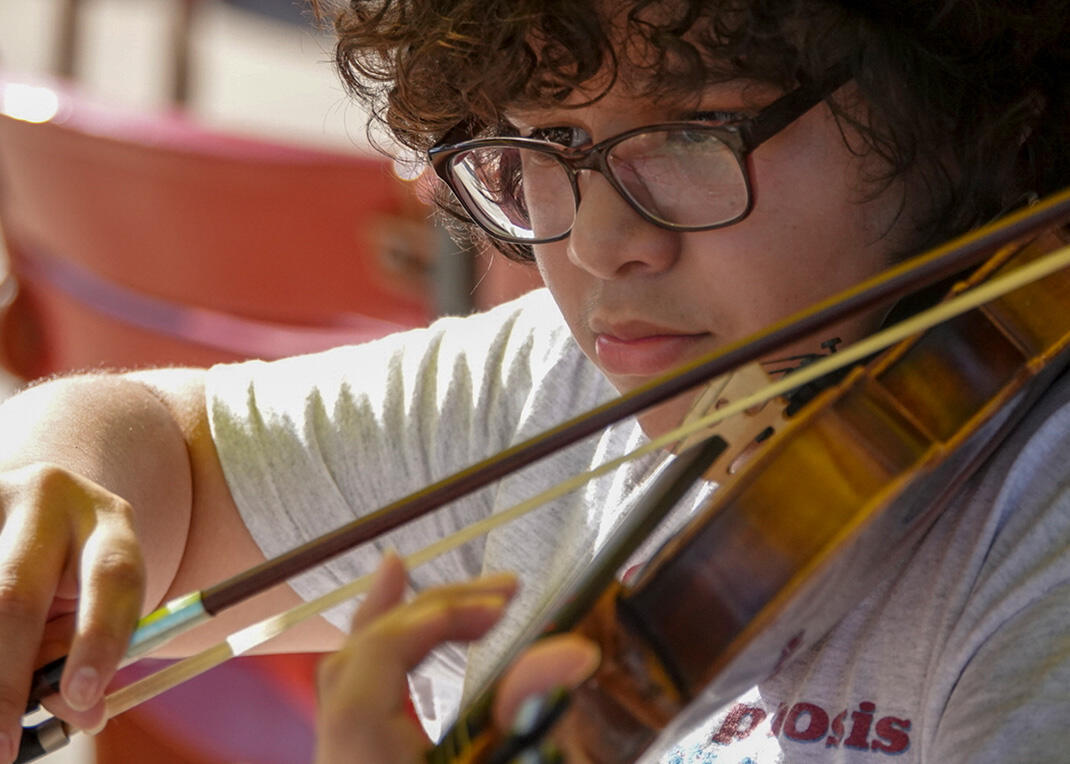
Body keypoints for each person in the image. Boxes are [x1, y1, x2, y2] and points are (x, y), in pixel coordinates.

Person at [0, 0, 1067, 761]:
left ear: (954, 111)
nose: (601, 241)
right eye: (544, 142)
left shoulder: (1038, 530)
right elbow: (164, 443)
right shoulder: (553, 389)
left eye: (690, 133)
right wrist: (52, 478)